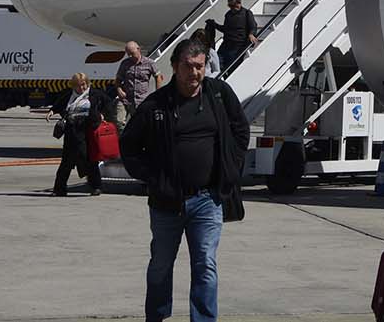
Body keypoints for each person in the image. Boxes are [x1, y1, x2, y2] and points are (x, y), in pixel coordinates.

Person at [121, 38, 250, 322]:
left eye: (199, 66)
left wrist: (231, 166)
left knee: (205, 264)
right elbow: (129, 146)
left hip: (207, 199)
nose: (194, 73)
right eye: (188, 66)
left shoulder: (219, 94)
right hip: (167, 202)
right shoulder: (156, 104)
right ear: (175, 66)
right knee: (161, 264)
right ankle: (156, 316)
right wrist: (153, 177)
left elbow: (241, 130)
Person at [49, 72, 112, 196]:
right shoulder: (69, 95)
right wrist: (52, 111)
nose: (81, 88)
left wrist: (102, 114)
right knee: (66, 161)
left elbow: (108, 103)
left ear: (87, 83)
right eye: (78, 85)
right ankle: (59, 189)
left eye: (83, 84)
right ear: (73, 86)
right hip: (71, 131)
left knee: (88, 158)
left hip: (88, 131)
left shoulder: (94, 94)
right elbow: (59, 104)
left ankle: (96, 186)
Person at [115, 40, 163, 130]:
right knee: (120, 122)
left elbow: (158, 77)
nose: (130, 56)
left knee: (141, 124)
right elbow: (118, 79)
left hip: (141, 100)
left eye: (132, 53)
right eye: (128, 54)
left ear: (138, 49)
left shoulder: (149, 63)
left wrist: (158, 93)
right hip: (126, 99)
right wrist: (119, 89)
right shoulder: (125, 63)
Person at [217, 0, 257, 74]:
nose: (232, 8)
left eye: (234, 5)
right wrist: (215, 25)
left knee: (232, 67)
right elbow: (225, 29)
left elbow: (253, 26)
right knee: (217, 61)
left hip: (237, 46)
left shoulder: (247, 13)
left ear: (239, 3)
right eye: (230, 6)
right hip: (226, 44)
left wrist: (251, 34)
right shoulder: (228, 15)